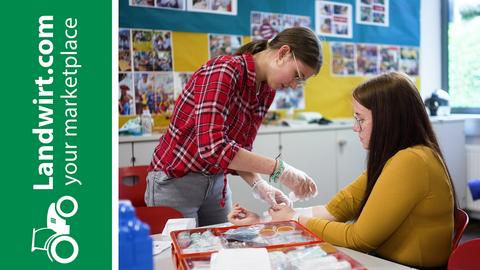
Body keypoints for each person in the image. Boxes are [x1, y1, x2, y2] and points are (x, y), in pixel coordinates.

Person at [228, 72, 456, 268]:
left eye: (361, 119)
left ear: (388, 120)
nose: (355, 128)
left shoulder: (411, 161)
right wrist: (268, 219)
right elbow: (336, 209)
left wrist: (293, 218)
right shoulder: (397, 158)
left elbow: (359, 239)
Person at [145, 27, 322, 226]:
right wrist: (281, 170)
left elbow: (237, 149)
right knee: (175, 252)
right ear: (283, 53)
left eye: (301, 82)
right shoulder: (224, 70)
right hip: (176, 182)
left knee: (220, 248)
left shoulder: (265, 90)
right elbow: (213, 149)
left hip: (216, 184)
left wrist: (259, 185)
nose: (294, 86)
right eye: (297, 76)